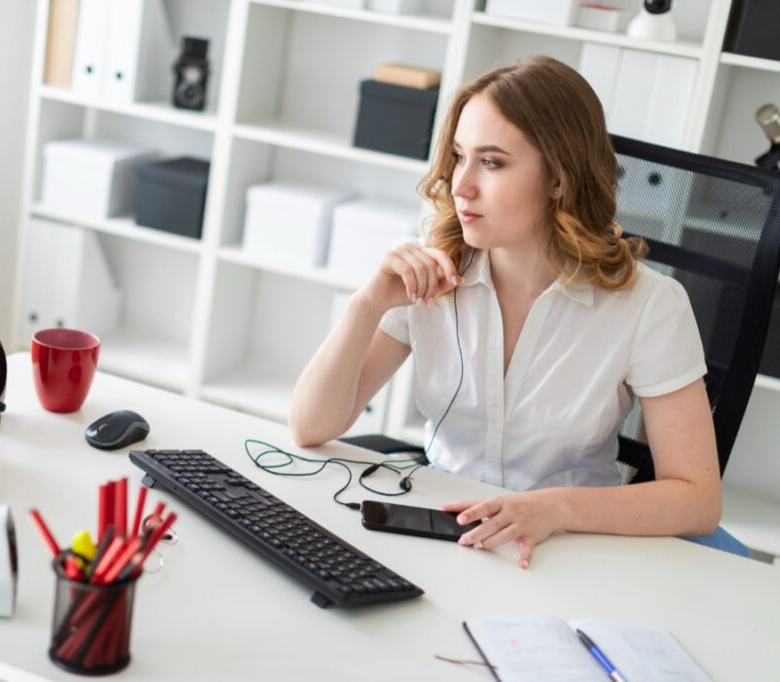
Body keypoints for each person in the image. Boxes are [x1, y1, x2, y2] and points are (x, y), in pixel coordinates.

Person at [288, 55, 722, 569]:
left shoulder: (648, 305)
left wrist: (553, 508)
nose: (460, 185)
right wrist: (368, 305)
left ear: (559, 177)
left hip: (571, 549)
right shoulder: (433, 273)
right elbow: (310, 428)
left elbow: (697, 500)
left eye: (491, 162)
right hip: (445, 529)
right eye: (458, 156)